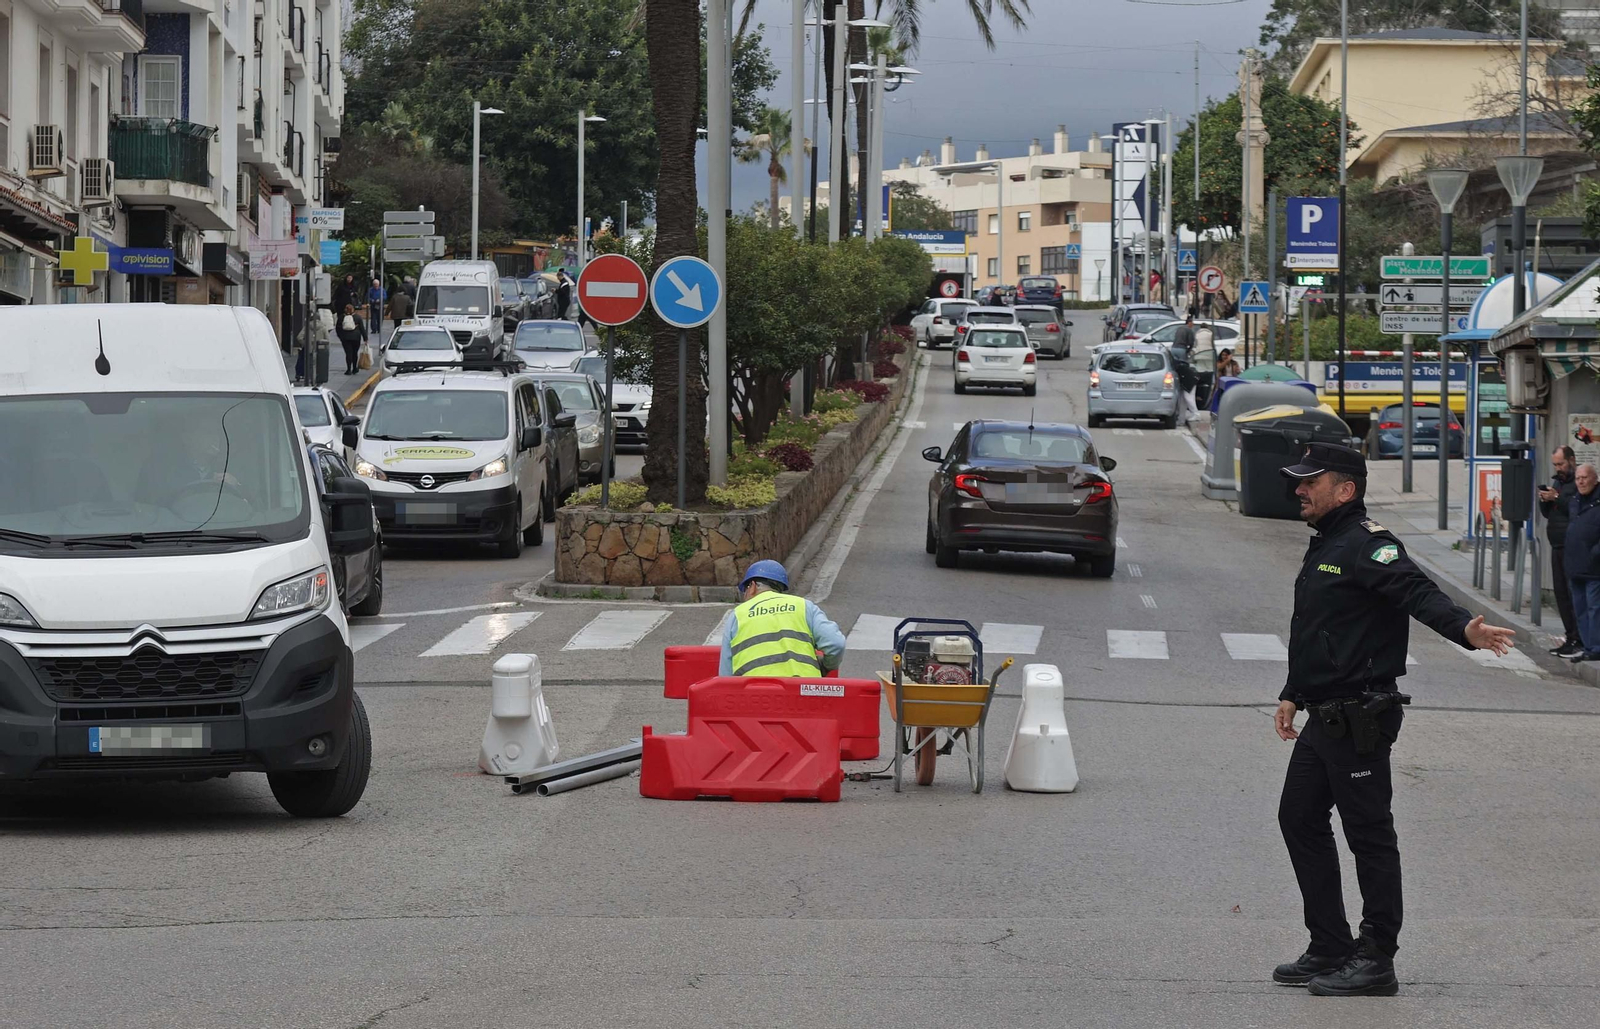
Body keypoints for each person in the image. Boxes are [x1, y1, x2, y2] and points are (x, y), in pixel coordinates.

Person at [1272, 442, 1515, 997]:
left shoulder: (1368, 545)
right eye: (1299, 481)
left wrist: (1465, 630)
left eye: (1311, 481)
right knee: (1298, 819)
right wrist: (1292, 692)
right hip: (1322, 713)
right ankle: (1329, 945)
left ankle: (1377, 957)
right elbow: (1316, 630)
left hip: (1359, 715)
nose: (1299, 490)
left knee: (1369, 836)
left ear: (1346, 489)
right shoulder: (1327, 544)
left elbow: (1416, 591)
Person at [717, 560, 846, 678]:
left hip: (756, 697)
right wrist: (826, 666)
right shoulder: (804, 606)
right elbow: (836, 643)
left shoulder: (737, 615)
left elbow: (725, 675)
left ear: (753, 586)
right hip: (804, 693)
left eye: (745, 589)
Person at [1538, 446, 1581, 656]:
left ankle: (1579, 638)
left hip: (1571, 547)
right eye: (1555, 464)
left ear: (1571, 460)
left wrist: (1556, 498)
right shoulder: (1559, 482)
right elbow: (1551, 514)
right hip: (1557, 546)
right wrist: (1544, 500)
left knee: (1573, 595)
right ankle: (1570, 636)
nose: (1558, 468)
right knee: (1561, 594)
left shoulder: (1578, 482)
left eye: (1561, 464)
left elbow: (1575, 508)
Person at [1563, 463, 1600, 661]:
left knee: (1595, 609)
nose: (1581, 481)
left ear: (1595, 479)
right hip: (1575, 565)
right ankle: (1588, 646)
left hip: (1594, 567)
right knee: (1581, 609)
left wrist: (1595, 552)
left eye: (1585, 477)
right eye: (1578, 478)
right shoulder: (1575, 501)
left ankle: (1596, 647)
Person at [336, 303, 368, 375]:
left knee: (348, 353)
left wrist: (341, 337)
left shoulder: (341, 317)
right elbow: (362, 328)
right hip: (356, 338)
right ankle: (354, 368)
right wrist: (365, 338)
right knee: (354, 353)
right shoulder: (358, 317)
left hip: (345, 338)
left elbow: (338, 328)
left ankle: (348, 369)